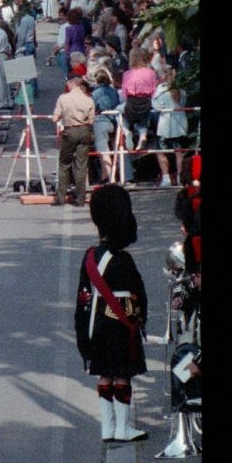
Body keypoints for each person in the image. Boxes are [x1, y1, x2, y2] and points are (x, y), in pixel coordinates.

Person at [73, 184, 149, 442]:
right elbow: (138, 295)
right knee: (122, 375)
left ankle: (107, 427)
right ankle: (123, 428)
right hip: (120, 325)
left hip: (97, 324)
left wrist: (83, 333)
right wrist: (140, 318)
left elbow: (83, 297)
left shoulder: (89, 257)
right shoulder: (123, 260)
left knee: (105, 373)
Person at [51, 75, 95, 205]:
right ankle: (80, 198)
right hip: (85, 130)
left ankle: (60, 197)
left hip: (70, 131)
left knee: (64, 164)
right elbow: (91, 120)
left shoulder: (63, 98)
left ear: (71, 84)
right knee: (81, 166)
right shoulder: (88, 99)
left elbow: (55, 118)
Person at [151, 65, 187, 188]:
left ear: (164, 76)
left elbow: (156, 106)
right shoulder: (181, 90)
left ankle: (166, 178)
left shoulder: (161, 89)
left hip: (165, 126)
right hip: (180, 125)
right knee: (179, 153)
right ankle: (180, 178)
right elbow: (184, 103)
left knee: (160, 152)